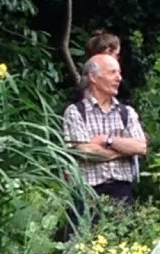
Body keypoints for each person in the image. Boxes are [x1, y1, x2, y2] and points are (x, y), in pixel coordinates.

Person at [62, 53, 147, 210]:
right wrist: (124, 151)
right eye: (112, 72)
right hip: (87, 194)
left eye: (119, 73)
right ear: (93, 77)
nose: (119, 78)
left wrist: (108, 140)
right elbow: (85, 151)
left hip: (122, 192)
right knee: (85, 234)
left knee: (123, 233)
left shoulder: (126, 112)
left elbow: (141, 147)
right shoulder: (75, 112)